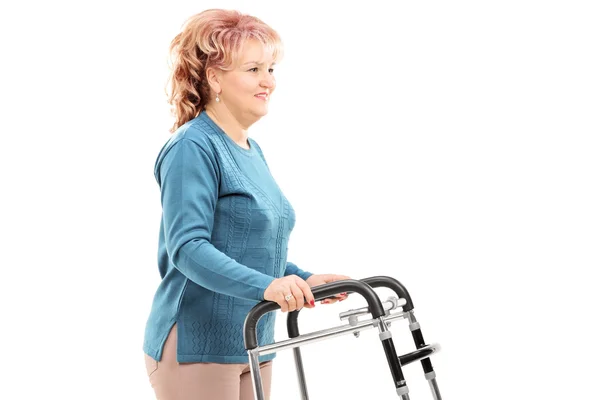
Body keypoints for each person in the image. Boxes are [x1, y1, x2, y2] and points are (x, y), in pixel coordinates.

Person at [143, 9, 351, 400]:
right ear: (214, 77)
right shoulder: (192, 147)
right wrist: (270, 286)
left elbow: (244, 247)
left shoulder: (251, 150)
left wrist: (301, 278)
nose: (268, 82)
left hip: (255, 338)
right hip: (197, 347)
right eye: (253, 69)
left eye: (271, 69)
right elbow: (187, 248)